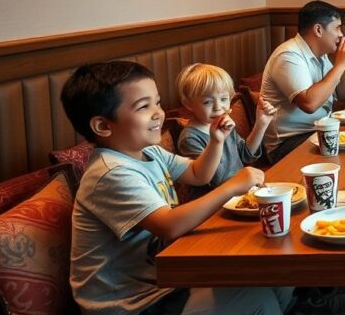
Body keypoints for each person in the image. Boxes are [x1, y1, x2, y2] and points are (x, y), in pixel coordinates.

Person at [59, 61, 306, 315]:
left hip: (166, 278)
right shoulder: (110, 172)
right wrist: (232, 186)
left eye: (157, 102)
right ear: (103, 126)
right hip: (131, 303)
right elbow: (168, 224)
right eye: (144, 106)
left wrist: (216, 141)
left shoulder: (149, 151)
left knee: (274, 278)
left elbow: (198, 173)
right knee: (258, 301)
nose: (158, 112)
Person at [261, 0, 345, 164]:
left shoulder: (320, 54)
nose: (341, 35)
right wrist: (340, 65)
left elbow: (343, 95)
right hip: (287, 144)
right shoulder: (288, 56)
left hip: (319, 132)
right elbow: (310, 103)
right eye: (336, 28)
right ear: (318, 30)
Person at [175, 63, 274, 197]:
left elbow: (246, 155)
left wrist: (261, 124)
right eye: (207, 102)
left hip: (239, 192)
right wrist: (218, 139)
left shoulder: (222, 122)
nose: (218, 107)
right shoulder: (189, 138)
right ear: (188, 104)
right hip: (214, 201)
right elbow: (216, 179)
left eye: (223, 99)